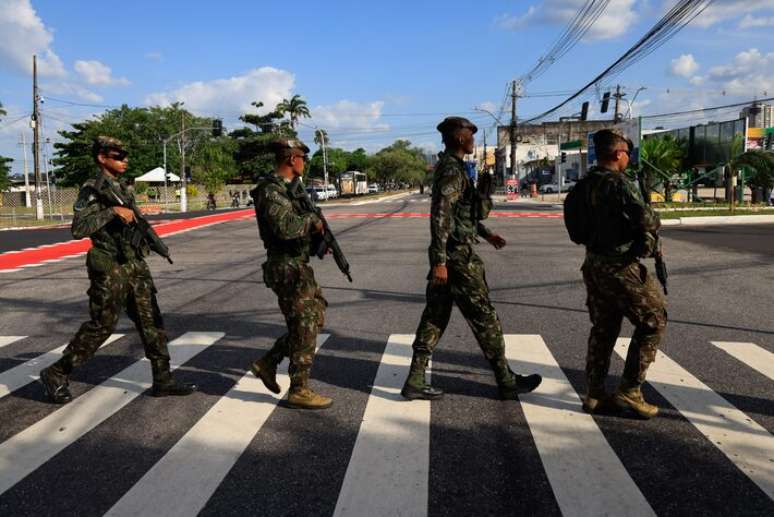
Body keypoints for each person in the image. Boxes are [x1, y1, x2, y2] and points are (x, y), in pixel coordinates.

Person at [39, 136, 196, 404]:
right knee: (102, 326)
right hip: (110, 266)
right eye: (118, 156)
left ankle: (163, 379)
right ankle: (56, 372)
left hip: (134, 265)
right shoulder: (92, 189)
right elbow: (78, 229)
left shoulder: (123, 187)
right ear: (102, 158)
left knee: (152, 323)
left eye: (125, 156)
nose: (125, 160)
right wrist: (111, 211)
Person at [401, 117, 542, 401]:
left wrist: (487, 234)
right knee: (484, 317)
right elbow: (441, 215)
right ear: (458, 139)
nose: (473, 138)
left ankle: (415, 379)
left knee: (435, 317)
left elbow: (460, 216)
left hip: (450, 255)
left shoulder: (453, 168)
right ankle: (505, 379)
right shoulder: (452, 170)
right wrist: (440, 261)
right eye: (469, 134)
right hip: (457, 258)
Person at [581, 129, 667, 419]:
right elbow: (646, 218)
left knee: (604, 328)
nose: (628, 158)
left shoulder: (586, 183)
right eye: (627, 153)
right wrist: (654, 218)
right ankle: (630, 391)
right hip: (620, 266)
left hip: (594, 264)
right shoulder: (619, 183)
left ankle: (595, 393)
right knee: (654, 321)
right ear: (618, 154)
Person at [248, 138, 332, 410]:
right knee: (305, 324)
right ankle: (299, 389)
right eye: (302, 158)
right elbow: (285, 228)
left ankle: (269, 362)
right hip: (285, 267)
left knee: (313, 319)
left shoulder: (291, 190)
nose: (304, 163)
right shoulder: (270, 190)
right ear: (291, 159)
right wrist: (312, 221)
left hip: (297, 264)